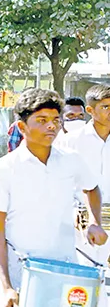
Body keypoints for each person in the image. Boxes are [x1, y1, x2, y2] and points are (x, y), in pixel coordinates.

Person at [0, 88, 107, 307]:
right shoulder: (3, 170)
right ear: (22, 127)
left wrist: (94, 222)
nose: (51, 126)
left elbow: (92, 188)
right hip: (24, 275)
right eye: (41, 120)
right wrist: (6, 287)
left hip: (66, 269)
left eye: (55, 120)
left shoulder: (71, 160)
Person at [63, 85, 110, 307]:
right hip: (84, 222)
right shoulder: (71, 140)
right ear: (90, 111)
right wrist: (71, 210)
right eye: (106, 107)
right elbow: (62, 180)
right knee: (85, 284)